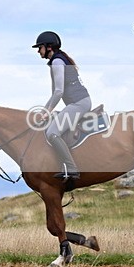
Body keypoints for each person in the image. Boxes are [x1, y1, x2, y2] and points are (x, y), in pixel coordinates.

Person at [32, 31, 92, 181]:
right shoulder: (56, 61)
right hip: (77, 102)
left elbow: (59, 92)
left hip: (79, 103)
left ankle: (71, 168)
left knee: (52, 132)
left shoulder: (57, 62)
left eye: (40, 47)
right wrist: (44, 111)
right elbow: (55, 93)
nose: (38, 51)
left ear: (49, 47)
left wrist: (47, 111)